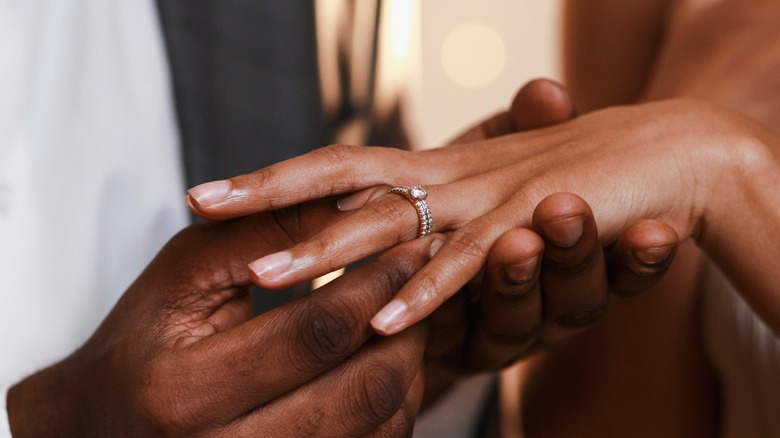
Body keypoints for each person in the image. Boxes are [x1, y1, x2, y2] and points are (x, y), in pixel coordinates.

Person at [185, 0, 780, 435]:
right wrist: (433, 363)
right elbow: (605, 411)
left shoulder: (711, 153)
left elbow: (694, 164)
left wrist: (727, 168)